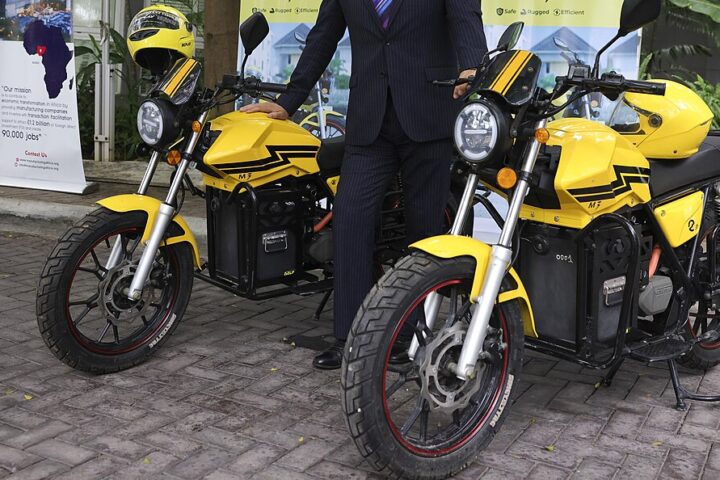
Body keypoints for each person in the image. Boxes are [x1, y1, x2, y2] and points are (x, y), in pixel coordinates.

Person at [241, 0, 488, 369]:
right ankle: (350, 340)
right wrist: (289, 102)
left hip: (429, 114)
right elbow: (323, 36)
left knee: (422, 235)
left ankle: (409, 338)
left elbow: (465, 18)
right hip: (370, 121)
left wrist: (473, 69)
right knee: (350, 221)